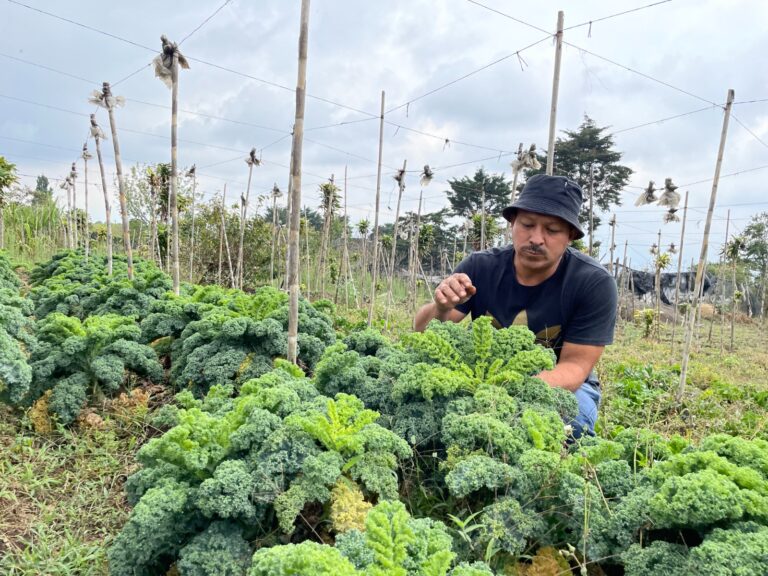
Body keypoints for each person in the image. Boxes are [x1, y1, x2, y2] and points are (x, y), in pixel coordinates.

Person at [414, 174, 617, 438]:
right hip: (483, 374)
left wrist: (510, 390)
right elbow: (421, 331)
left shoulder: (592, 282)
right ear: (512, 224)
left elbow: (575, 368)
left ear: (570, 235)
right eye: (527, 224)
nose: (536, 238)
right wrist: (441, 307)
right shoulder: (480, 266)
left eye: (552, 230)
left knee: (573, 421)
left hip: (556, 382)